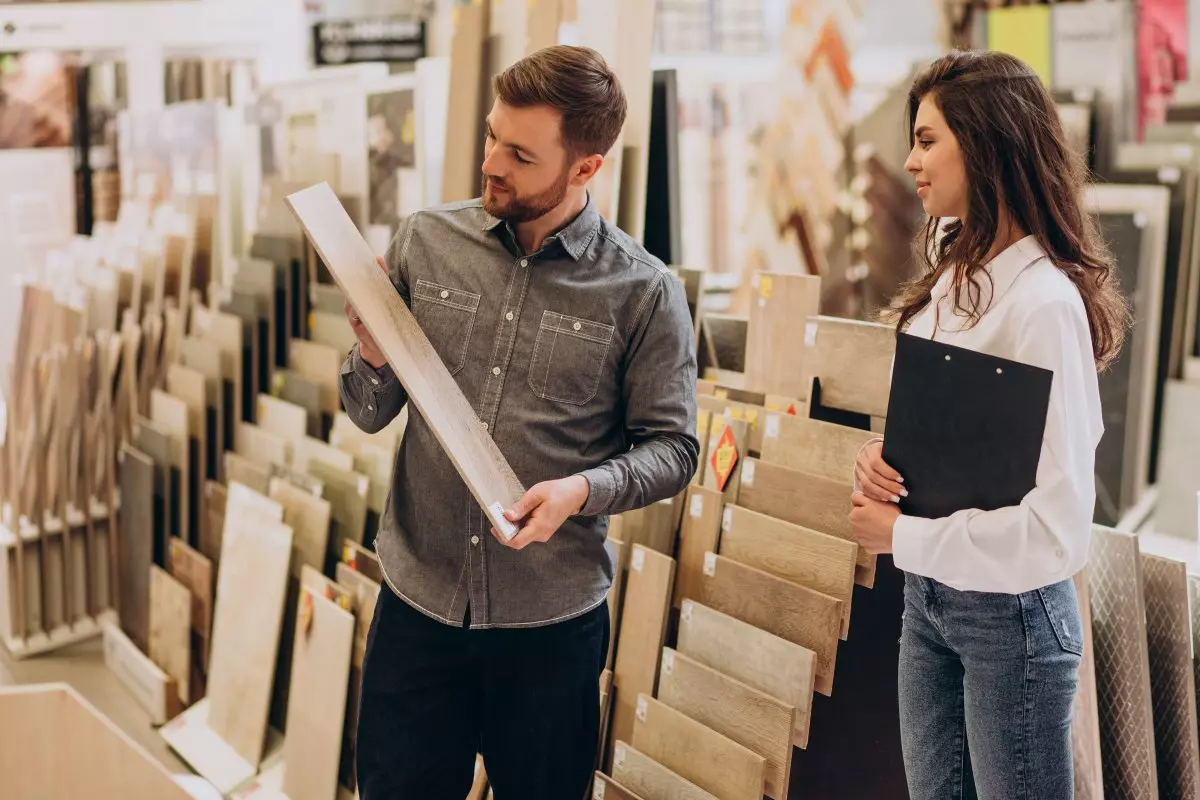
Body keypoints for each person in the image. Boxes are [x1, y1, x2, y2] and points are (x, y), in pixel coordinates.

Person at [339, 45, 699, 799]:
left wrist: (583, 489)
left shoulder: (643, 293)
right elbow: (369, 414)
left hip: (549, 631)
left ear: (585, 168)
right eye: (492, 137)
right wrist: (372, 358)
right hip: (418, 610)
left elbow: (674, 449)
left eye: (520, 153)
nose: (492, 163)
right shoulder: (425, 242)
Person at [849, 50, 1129, 800]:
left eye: (928, 139)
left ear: (987, 142)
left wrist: (900, 535)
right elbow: (961, 446)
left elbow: (1058, 529)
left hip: (1013, 624)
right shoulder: (953, 283)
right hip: (930, 602)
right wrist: (885, 460)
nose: (910, 160)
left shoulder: (1043, 307)